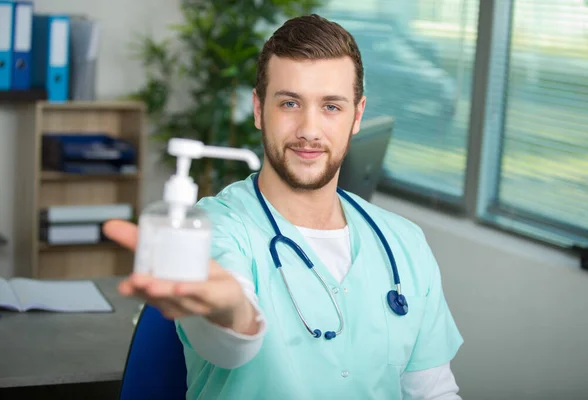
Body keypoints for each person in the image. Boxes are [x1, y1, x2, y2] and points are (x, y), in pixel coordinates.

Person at [104, 14, 463, 399]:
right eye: (290, 103)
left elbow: (433, 392)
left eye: (331, 107)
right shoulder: (214, 228)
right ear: (259, 110)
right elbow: (227, 344)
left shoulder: (405, 244)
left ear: (357, 115)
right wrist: (232, 312)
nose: (309, 129)